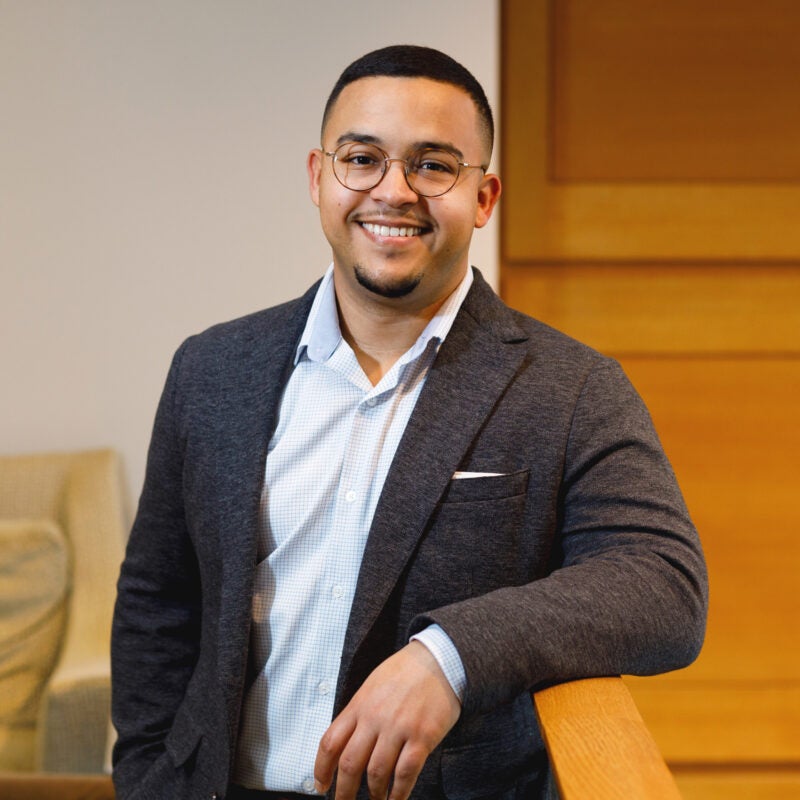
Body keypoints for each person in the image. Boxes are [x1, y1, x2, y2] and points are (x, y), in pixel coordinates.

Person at [111, 44, 707, 800]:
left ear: (485, 197)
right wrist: (146, 777)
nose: (394, 191)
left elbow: (663, 586)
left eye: (433, 165)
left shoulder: (573, 388)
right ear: (319, 176)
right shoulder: (210, 370)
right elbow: (158, 604)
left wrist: (450, 655)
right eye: (362, 157)